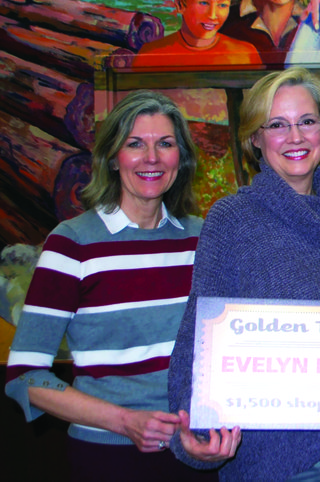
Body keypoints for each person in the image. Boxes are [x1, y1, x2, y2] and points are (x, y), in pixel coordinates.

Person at [168, 66, 320, 481]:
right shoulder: (231, 220)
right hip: (267, 460)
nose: (295, 136)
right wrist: (192, 430)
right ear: (255, 137)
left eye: (307, 121)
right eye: (277, 125)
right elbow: (198, 337)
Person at [4, 91, 213, 480]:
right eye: (135, 144)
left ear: (180, 159)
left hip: (192, 455)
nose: (151, 157)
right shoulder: (72, 243)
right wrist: (124, 421)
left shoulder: (203, 240)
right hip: (109, 457)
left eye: (165, 144)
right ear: (112, 158)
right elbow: (25, 376)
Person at [133, 0, 260, 68]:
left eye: (222, 5)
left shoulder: (245, 54)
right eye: (204, 3)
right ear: (180, 5)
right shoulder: (150, 55)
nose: (212, 15)